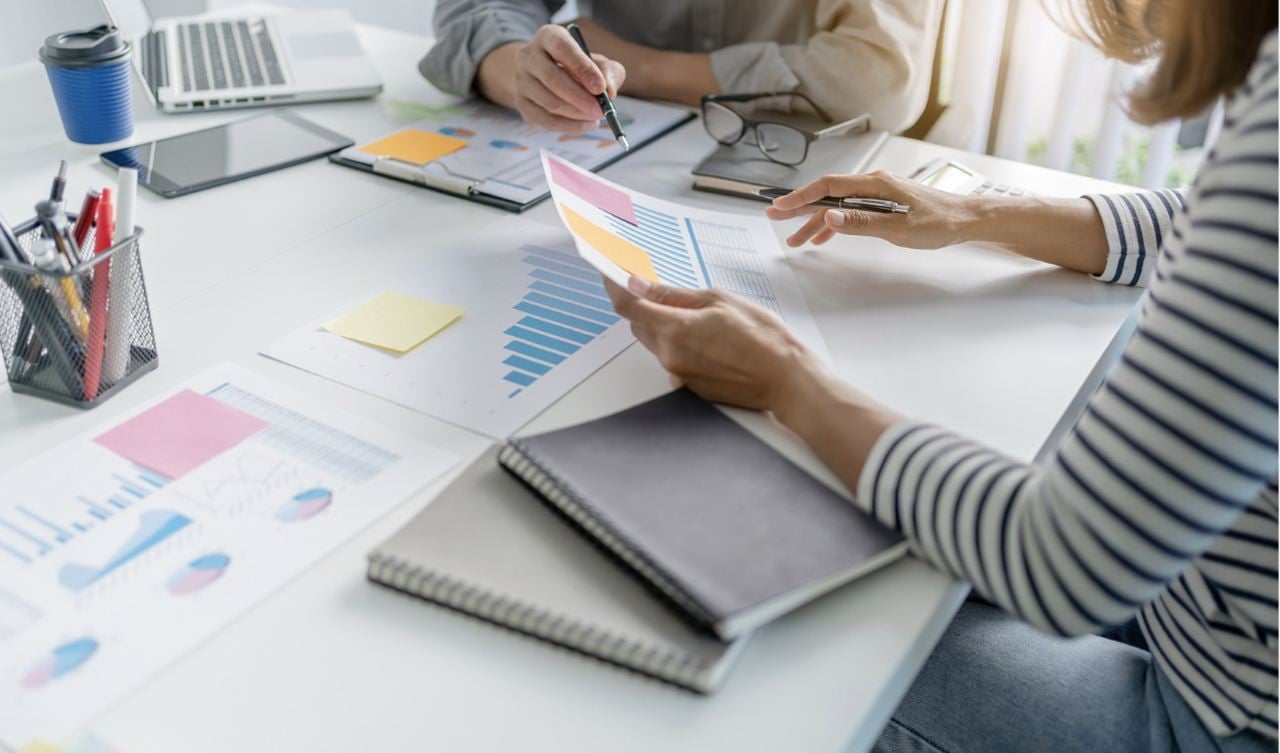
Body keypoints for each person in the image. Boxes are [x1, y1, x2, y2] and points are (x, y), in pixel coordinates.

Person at [602, 0, 1278, 749]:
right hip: (1207, 608)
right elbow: (1205, 219)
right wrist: (972, 211)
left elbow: (1062, 560)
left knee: (785, 639)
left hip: (1211, 716)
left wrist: (786, 379)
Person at [419, 0, 942, 135]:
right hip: (612, 159)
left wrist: (644, 69)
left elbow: (879, 82)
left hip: (790, 164)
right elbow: (477, 9)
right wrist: (521, 75)